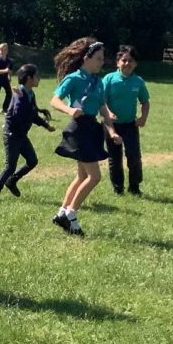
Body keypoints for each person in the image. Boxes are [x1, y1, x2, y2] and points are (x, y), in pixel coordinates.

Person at [50, 38, 119, 237]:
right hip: (79, 128)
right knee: (94, 177)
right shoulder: (73, 79)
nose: (101, 62)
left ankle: (62, 213)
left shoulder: (98, 82)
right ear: (86, 58)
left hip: (91, 128)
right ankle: (71, 215)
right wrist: (69, 110)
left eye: (102, 59)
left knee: (82, 176)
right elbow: (55, 100)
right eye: (98, 58)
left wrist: (112, 131)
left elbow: (102, 108)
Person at [0, 63, 54, 199]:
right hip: (12, 135)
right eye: (37, 76)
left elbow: (33, 114)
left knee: (32, 160)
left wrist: (46, 126)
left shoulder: (30, 94)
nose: (39, 79)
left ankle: (11, 181)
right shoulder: (19, 94)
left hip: (21, 135)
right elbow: (18, 113)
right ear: (29, 78)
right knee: (10, 166)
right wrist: (26, 103)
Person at [101, 45, 151, 195]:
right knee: (115, 158)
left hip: (130, 125)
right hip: (111, 125)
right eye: (124, 60)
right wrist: (109, 113)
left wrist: (143, 117)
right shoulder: (109, 79)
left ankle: (134, 188)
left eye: (131, 61)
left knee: (134, 157)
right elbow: (101, 101)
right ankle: (118, 188)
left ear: (135, 64)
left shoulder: (138, 81)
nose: (127, 63)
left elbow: (145, 102)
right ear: (118, 62)